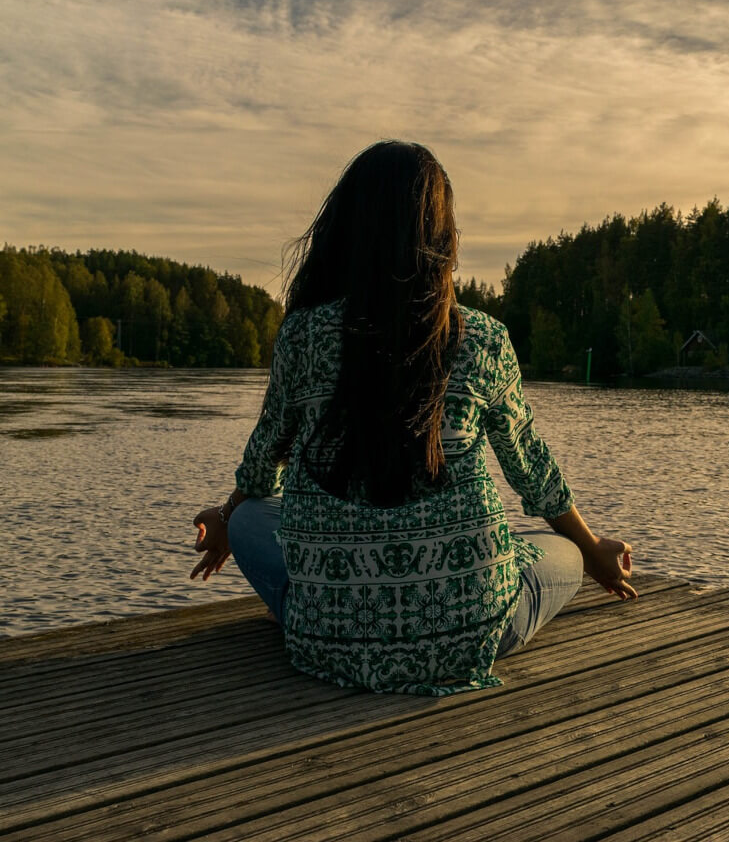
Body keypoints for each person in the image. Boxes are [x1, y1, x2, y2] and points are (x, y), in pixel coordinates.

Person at [191, 140, 636, 696]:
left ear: (347, 229)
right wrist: (593, 549)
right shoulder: (483, 337)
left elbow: (263, 464)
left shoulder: (303, 334)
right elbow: (532, 471)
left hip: (327, 641)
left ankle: (326, 611)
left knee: (254, 516)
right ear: (442, 237)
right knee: (563, 551)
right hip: (470, 633)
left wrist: (230, 516)